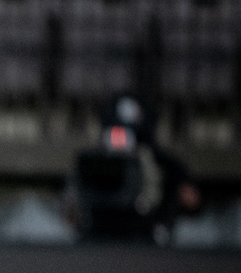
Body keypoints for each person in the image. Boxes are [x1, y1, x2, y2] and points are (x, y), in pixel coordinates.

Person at [65, 92, 202, 245]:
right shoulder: (92, 161)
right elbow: (72, 206)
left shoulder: (163, 164)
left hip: (144, 236)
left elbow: (192, 201)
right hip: (95, 234)